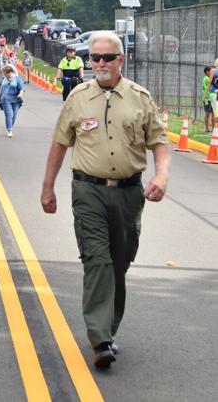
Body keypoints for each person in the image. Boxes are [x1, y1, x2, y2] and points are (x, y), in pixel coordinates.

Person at [40, 31, 171, 370]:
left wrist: (162, 176)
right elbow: (59, 143)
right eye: (93, 58)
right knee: (97, 259)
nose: (98, 64)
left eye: (105, 58)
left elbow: (159, 143)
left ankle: (108, 331)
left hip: (129, 193)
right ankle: (99, 337)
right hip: (88, 190)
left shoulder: (140, 98)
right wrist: (48, 187)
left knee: (119, 263)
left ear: (120, 60)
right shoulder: (79, 97)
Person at [0, 64, 25, 137]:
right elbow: (1, 89)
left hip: (16, 100)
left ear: (8, 72)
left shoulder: (17, 78)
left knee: (14, 115)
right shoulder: (4, 79)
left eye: (4, 73)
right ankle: (9, 130)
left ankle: (10, 126)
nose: (4, 74)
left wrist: (20, 94)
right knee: (9, 114)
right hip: (5, 100)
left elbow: (22, 88)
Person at [202, 66, 214, 133]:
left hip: (208, 98)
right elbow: (208, 88)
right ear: (207, 72)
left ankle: (211, 128)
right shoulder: (207, 79)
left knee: (211, 114)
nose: (212, 73)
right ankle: (207, 128)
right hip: (207, 99)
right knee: (208, 114)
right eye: (211, 71)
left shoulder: (206, 78)